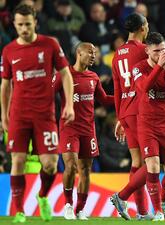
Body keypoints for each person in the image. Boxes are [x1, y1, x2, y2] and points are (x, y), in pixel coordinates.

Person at [0, 4, 74, 223]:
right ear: (14, 24)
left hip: (45, 115)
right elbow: (5, 86)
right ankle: (20, 211)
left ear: (35, 23)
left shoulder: (50, 44)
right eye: (20, 24)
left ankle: (42, 196)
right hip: (19, 115)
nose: (24, 28)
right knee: (18, 161)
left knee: (51, 164)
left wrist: (69, 104)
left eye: (28, 24)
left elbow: (66, 74)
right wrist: (4, 116)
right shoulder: (9, 51)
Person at [111, 31, 165, 221]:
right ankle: (158, 212)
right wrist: (159, 67)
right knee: (152, 165)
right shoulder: (139, 68)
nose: (160, 54)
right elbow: (144, 88)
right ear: (147, 50)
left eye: (163, 50)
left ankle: (157, 201)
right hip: (147, 124)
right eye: (156, 51)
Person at [54, 42, 114, 220]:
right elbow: (47, 95)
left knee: (86, 170)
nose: (94, 55)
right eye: (90, 52)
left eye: (95, 52)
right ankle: (67, 205)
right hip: (69, 128)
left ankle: (80, 209)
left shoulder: (94, 77)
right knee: (70, 166)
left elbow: (103, 100)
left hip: (88, 130)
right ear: (79, 53)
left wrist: (124, 96)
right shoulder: (64, 75)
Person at [110, 12, 151, 220]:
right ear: (143, 27)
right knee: (154, 162)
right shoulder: (144, 51)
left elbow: (117, 89)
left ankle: (143, 212)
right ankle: (122, 196)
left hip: (125, 111)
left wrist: (119, 117)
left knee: (137, 162)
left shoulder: (117, 54)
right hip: (140, 111)